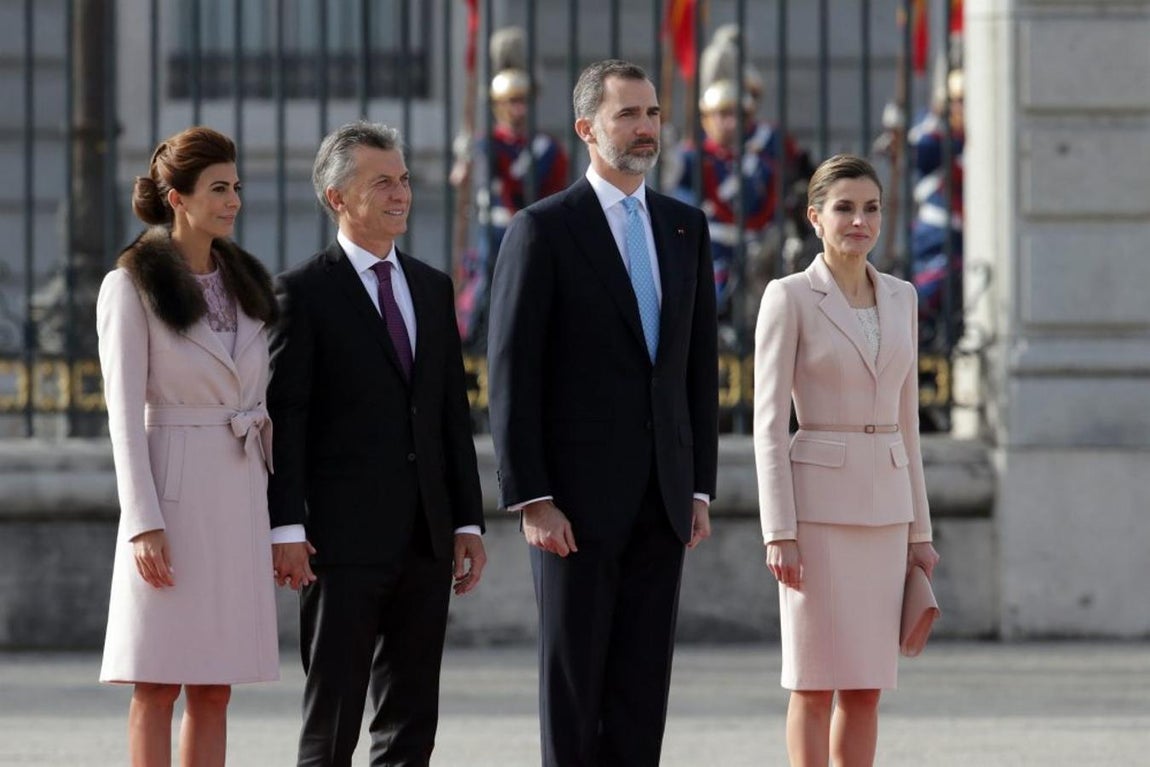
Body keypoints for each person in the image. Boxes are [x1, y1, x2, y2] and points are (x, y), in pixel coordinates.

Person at [487, 59, 719, 766]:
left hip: (662, 501)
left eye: (651, 113)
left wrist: (698, 485)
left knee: (641, 691)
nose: (645, 127)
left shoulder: (685, 227)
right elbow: (511, 373)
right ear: (588, 129)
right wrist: (532, 496)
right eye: (628, 115)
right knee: (575, 690)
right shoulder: (543, 231)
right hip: (574, 513)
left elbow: (696, 369)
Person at [267, 121, 487, 767]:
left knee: (411, 719)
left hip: (425, 536)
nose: (401, 194)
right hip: (340, 544)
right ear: (338, 197)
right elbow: (289, 416)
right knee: (331, 718)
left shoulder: (431, 286)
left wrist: (467, 520)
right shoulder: (302, 292)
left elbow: (451, 413)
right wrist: (285, 525)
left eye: (404, 179)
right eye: (382, 182)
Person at [97, 126, 279, 767]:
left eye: (236, 187)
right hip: (170, 507)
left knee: (214, 685)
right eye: (218, 188)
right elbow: (122, 415)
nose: (233, 200)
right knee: (156, 682)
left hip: (236, 497)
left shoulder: (246, 286)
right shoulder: (130, 286)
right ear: (177, 197)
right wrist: (142, 522)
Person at [753, 154, 940, 766]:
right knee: (812, 684)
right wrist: (779, 532)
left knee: (865, 688)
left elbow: (907, 422)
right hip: (817, 519)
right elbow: (768, 425)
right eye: (844, 208)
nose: (859, 221)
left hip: (886, 516)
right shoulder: (789, 298)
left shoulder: (903, 297)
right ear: (815, 218)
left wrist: (921, 531)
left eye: (871, 208)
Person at [450, 26, 569, 347]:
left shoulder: (547, 149)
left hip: (535, 235)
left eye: (523, 101)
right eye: (512, 101)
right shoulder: (485, 144)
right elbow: (471, 181)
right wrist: (466, 157)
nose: (519, 109)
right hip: (493, 234)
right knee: (482, 298)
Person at [672, 78, 780, 343]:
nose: (729, 123)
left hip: (753, 249)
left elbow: (770, 206)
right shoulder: (691, 159)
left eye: (735, 115)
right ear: (707, 119)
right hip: (711, 247)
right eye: (722, 115)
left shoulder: (759, 161)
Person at [908, 67, 965, 354]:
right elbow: (920, 153)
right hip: (935, 230)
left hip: (966, 234)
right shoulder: (937, 132)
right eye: (957, 102)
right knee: (928, 288)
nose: (961, 109)